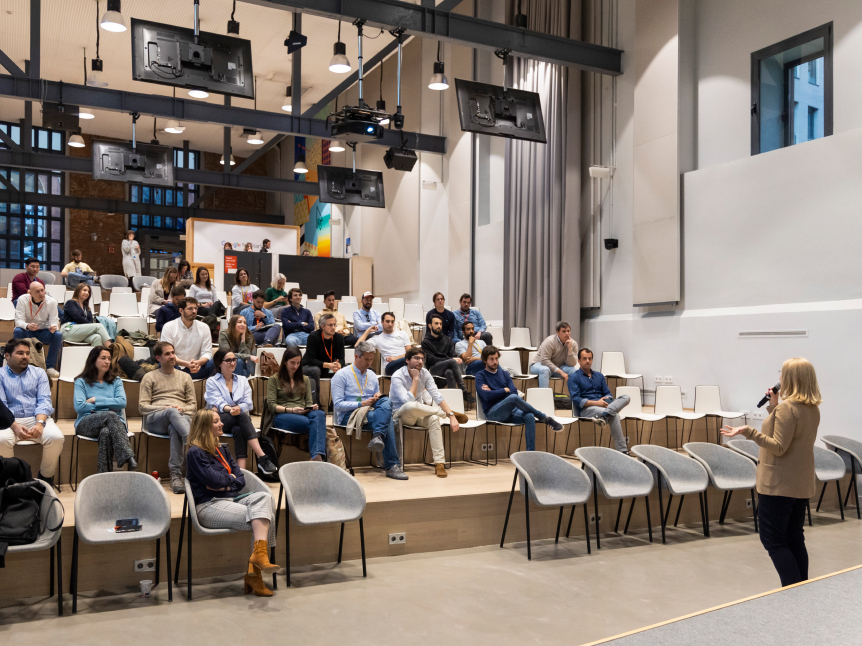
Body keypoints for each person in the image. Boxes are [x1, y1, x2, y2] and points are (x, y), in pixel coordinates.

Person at [721, 358, 821, 588]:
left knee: (774, 540)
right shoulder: (811, 408)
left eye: (783, 374)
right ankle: (801, 589)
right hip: (800, 484)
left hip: (778, 484)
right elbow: (791, 434)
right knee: (794, 537)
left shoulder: (788, 408)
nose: (780, 378)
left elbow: (778, 446)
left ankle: (792, 590)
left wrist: (748, 431)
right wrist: (775, 405)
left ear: (792, 379)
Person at [185, 409, 278, 597]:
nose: (221, 424)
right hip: (209, 505)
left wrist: (224, 484)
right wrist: (228, 482)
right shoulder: (195, 452)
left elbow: (240, 480)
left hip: (232, 498)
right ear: (204, 427)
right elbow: (213, 482)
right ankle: (255, 574)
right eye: (216, 422)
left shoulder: (223, 449)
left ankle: (258, 558)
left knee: (265, 499)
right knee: (264, 517)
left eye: (220, 421)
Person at [331, 341, 407, 480]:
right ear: (356, 357)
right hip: (350, 414)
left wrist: (377, 396)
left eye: (371, 359)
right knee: (387, 418)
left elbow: (377, 397)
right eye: (366, 359)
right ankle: (392, 466)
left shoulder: (372, 375)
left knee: (386, 400)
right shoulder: (341, 375)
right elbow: (338, 405)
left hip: (372, 411)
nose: (369, 363)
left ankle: (377, 436)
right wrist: (361, 403)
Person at [390, 347, 465, 478]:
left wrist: (450, 415)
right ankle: (446, 413)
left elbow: (436, 395)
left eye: (422, 359)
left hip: (419, 412)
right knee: (410, 405)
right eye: (416, 358)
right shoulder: (397, 376)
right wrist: (415, 379)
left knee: (434, 419)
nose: (420, 361)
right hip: (400, 414)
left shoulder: (425, 373)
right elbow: (408, 400)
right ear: (407, 360)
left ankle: (439, 464)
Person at [0, 339, 65, 486]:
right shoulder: (0, 375)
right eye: (20, 353)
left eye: (27, 353)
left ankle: (45, 478)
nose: (25, 357)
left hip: (36, 417)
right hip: (10, 420)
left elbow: (44, 401)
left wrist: (40, 423)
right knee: (1, 440)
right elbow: (1, 406)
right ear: (7, 356)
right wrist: (15, 426)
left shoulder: (39, 373)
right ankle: (10, 481)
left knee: (56, 438)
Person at [476, 345, 562, 451]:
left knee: (529, 416)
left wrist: (494, 392)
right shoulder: (480, 376)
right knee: (512, 398)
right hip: (493, 413)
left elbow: (514, 392)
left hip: (510, 411)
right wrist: (504, 390)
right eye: (491, 359)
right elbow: (487, 396)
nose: (495, 362)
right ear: (484, 360)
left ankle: (530, 453)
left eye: (497, 358)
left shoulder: (504, 374)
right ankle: (543, 417)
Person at [206, 349, 277, 474]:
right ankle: (262, 457)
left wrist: (238, 409)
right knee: (242, 416)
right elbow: (218, 402)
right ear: (219, 363)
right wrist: (232, 409)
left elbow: (248, 403)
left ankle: (241, 473)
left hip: (236, 418)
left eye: (234, 359)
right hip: (218, 420)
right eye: (228, 360)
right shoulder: (212, 381)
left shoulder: (242, 380)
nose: (233, 363)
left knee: (239, 428)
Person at [139, 341, 197, 493]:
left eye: (173, 352)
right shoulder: (149, 377)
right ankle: (195, 446)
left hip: (180, 418)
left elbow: (193, 406)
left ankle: (176, 477)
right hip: (156, 418)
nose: (172, 356)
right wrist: (166, 408)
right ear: (158, 358)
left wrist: (181, 408)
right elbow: (142, 407)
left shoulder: (185, 377)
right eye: (167, 354)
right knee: (173, 413)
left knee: (175, 425)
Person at [73, 346, 137, 473]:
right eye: (103, 358)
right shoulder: (81, 381)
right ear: (93, 360)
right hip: (87, 423)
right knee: (110, 415)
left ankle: (104, 477)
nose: (107, 362)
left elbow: (122, 402)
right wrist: (111, 406)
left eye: (109, 358)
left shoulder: (116, 381)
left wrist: (95, 400)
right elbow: (80, 406)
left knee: (106, 433)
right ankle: (128, 456)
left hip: (115, 424)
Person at [266, 347, 327, 461]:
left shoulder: (305, 379)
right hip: (282, 415)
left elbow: (308, 402)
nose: (295, 366)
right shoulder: (274, 379)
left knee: (319, 414)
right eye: (292, 363)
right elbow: (271, 405)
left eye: (298, 363)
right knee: (312, 423)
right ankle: (317, 457)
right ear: (285, 361)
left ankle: (316, 456)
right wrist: (292, 410)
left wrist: (311, 407)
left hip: (303, 412)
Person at [568, 348, 631, 453]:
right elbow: (576, 400)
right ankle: (623, 450)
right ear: (578, 361)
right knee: (614, 414)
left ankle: (606, 414)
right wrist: (597, 403)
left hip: (604, 406)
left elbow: (607, 393)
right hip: (587, 409)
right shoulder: (573, 377)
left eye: (590, 358)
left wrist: (607, 399)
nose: (587, 361)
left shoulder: (599, 376)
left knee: (626, 397)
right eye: (584, 359)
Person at [422, 313, 474, 404]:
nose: (439, 326)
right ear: (430, 325)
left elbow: (452, 355)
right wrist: (449, 360)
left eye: (440, 324)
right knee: (452, 362)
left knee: (449, 372)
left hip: (447, 369)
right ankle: (464, 391)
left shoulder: (447, 340)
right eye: (436, 323)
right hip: (433, 370)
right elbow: (431, 360)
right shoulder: (425, 342)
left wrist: (450, 360)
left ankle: (452, 402)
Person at [14, 281, 62, 377]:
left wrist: (53, 327)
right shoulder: (22, 300)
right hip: (27, 331)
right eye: (37, 292)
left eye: (42, 290)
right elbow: (18, 321)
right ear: (30, 293)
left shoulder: (51, 301)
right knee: (17, 331)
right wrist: (27, 325)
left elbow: (54, 320)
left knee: (57, 335)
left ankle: (49, 367)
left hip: (44, 331)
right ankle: (18, 364)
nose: (41, 294)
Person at [160, 297, 214, 379]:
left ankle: (212, 390)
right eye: (190, 309)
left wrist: (198, 363)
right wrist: (186, 364)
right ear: (181, 311)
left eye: (196, 308)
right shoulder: (169, 327)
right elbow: (167, 354)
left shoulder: (204, 327)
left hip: (197, 368)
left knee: (216, 362)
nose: (194, 311)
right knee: (164, 362)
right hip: (176, 368)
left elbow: (207, 352)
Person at [302, 313, 346, 403]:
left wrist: (338, 365)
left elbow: (341, 358)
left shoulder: (339, 338)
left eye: (334, 325)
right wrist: (328, 365)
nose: (333, 327)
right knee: (316, 370)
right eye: (330, 325)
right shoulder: (313, 337)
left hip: (327, 369)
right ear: (322, 326)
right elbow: (310, 359)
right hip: (308, 367)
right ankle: (315, 403)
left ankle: (336, 403)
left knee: (345, 370)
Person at [530, 321, 579, 390]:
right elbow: (544, 361)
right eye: (564, 331)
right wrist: (560, 371)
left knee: (574, 371)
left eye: (568, 331)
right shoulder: (550, 341)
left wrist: (570, 349)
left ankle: (574, 397)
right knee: (545, 370)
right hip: (539, 365)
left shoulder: (573, 344)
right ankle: (544, 397)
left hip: (558, 367)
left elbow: (572, 364)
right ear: (557, 332)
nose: (567, 333)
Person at [62, 283, 112, 348]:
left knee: (97, 337)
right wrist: (92, 326)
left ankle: (95, 357)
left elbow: (90, 321)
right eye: (84, 290)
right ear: (78, 291)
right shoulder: (70, 303)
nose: (87, 292)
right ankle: (111, 349)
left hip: (81, 333)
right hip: (68, 330)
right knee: (99, 326)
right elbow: (77, 317)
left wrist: (91, 326)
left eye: (88, 291)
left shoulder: (87, 308)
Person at [366, 312, 412, 376]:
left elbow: (410, 353)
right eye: (387, 321)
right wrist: (368, 331)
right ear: (382, 322)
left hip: (404, 362)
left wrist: (396, 358)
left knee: (415, 358)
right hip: (390, 366)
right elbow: (357, 346)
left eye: (392, 322)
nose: (390, 324)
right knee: (412, 359)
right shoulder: (377, 338)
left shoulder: (402, 334)